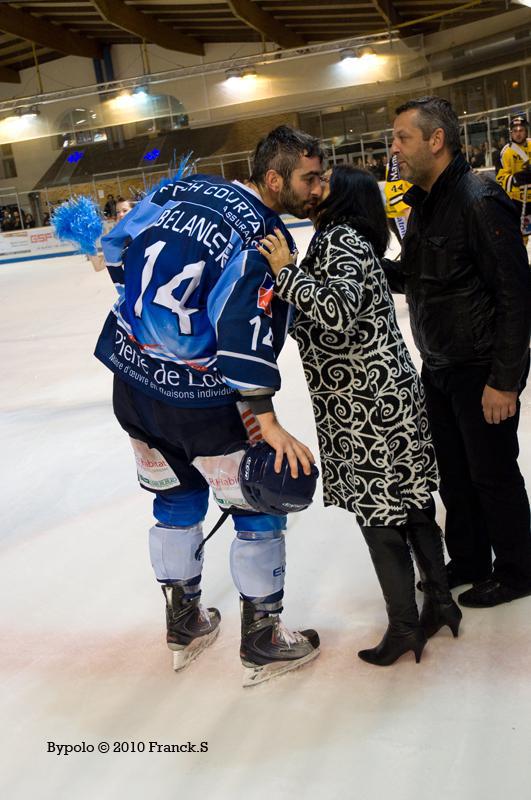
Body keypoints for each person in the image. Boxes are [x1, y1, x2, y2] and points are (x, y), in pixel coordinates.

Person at [94, 126, 325, 685]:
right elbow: (240, 326)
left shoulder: (180, 188)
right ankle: (264, 637)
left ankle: (183, 623)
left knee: (174, 497)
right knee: (258, 502)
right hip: (204, 403)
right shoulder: (260, 230)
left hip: (133, 383)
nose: (320, 188)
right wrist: (265, 419)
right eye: (310, 178)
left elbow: (116, 246)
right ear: (274, 179)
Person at [257, 165, 460, 667]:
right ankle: (439, 601)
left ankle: (405, 626)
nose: (316, 187)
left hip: (367, 405)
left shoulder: (341, 239)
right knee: (410, 500)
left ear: (344, 196)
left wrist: (285, 273)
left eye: (324, 181)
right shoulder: (346, 239)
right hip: (377, 394)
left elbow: (338, 310)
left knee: (379, 515)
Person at [384, 96, 531, 608]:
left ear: (436, 140)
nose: (394, 147)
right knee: (455, 474)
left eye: (403, 137)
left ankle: (517, 570)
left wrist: (505, 379)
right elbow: (412, 276)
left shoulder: (477, 198)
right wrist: (364, 264)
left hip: (481, 367)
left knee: (492, 474)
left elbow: (516, 293)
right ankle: (470, 559)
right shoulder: (424, 203)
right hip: (441, 365)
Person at [496, 114, 531, 241]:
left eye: (521, 130)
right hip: (518, 201)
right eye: (515, 131)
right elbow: (500, 178)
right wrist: (516, 179)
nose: (518, 133)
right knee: (521, 237)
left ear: (526, 131)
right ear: (510, 133)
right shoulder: (506, 152)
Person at [88, 198, 137, 271]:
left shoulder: (147, 231)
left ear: (135, 211)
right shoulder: (119, 241)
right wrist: (87, 243)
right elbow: (99, 266)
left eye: (125, 210)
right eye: (118, 212)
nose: (120, 214)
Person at [384, 153, 412, 241]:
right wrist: (405, 210)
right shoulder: (397, 159)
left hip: (413, 211)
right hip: (400, 215)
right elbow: (392, 189)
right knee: (410, 247)